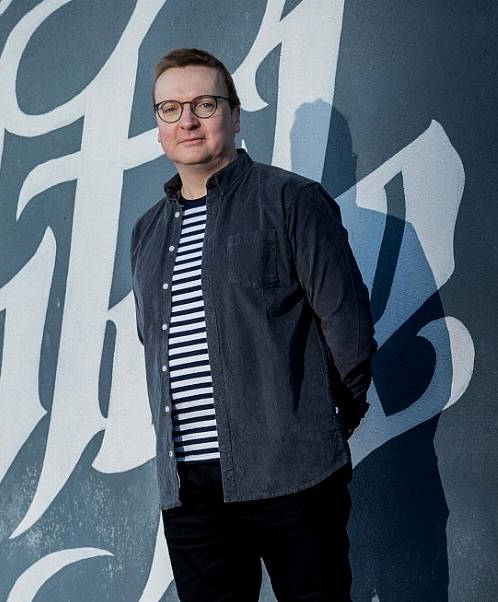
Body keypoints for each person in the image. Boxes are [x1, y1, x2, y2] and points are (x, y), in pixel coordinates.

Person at [130, 48, 375, 600]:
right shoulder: (145, 234)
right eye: (170, 108)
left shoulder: (290, 200)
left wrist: (324, 428)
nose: (187, 120)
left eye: (204, 103)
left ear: (235, 116)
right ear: (158, 126)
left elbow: (349, 327)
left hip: (294, 477)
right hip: (190, 493)